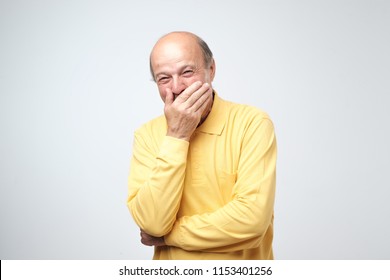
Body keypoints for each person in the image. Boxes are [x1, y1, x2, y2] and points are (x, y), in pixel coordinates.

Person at [127, 31, 277, 260]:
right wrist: (177, 135)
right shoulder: (147, 135)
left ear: (211, 69)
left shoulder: (252, 123)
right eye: (164, 78)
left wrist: (170, 237)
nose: (177, 87)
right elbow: (153, 223)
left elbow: (251, 220)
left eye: (187, 72)